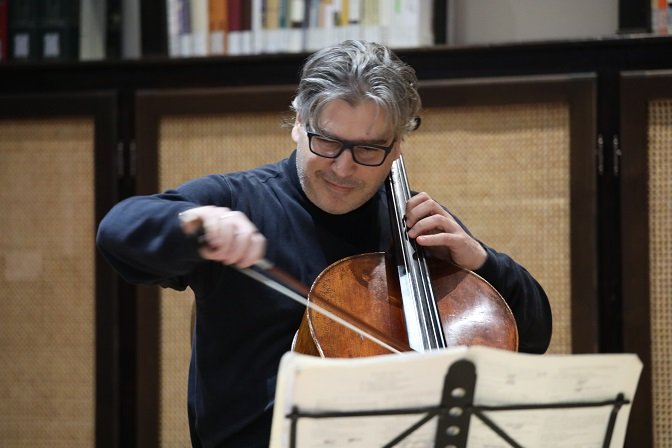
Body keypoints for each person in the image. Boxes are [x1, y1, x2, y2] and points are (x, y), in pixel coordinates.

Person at [96, 40, 552, 448]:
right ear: (298, 123)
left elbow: (530, 337)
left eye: (368, 150)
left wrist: (482, 262)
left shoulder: (414, 227)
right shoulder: (241, 201)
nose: (343, 168)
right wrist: (195, 225)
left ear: (397, 147)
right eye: (328, 142)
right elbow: (118, 231)